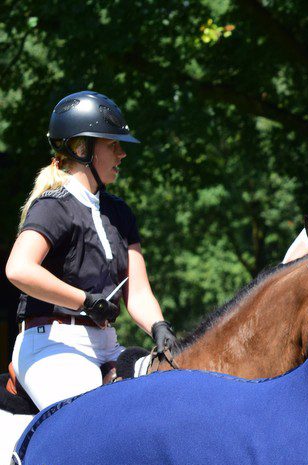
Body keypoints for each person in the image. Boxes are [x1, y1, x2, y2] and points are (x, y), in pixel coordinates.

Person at [5, 91, 178, 410]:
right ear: (81, 149)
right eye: (113, 144)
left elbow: (137, 292)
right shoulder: (53, 206)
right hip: (52, 347)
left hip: (106, 346)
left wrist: (159, 327)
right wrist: (84, 301)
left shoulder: (120, 212)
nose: (122, 153)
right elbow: (19, 269)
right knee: (91, 420)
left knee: (169, 394)